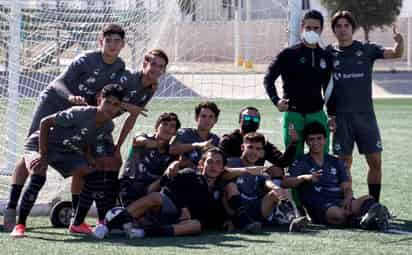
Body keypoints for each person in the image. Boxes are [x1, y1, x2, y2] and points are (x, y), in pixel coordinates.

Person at [4, 23, 127, 231]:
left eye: (117, 41)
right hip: (55, 101)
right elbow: (57, 84)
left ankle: (77, 220)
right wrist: (69, 97)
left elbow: (111, 95)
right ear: (100, 42)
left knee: (83, 160)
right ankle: (12, 208)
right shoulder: (86, 59)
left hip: (79, 112)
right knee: (32, 151)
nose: (113, 45)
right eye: (109, 41)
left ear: (123, 44)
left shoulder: (120, 67)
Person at [70, 49, 170, 233]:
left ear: (164, 70)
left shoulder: (152, 87)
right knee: (87, 167)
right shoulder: (129, 78)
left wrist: (118, 146)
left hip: (104, 126)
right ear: (145, 63)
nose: (156, 69)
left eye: (160, 66)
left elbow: (132, 117)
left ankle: (106, 216)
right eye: (153, 64)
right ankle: (76, 217)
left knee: (114, 162)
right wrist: (127, 105)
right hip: (87, 118)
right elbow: (102, 96)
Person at [10, 84, 125, 238]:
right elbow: (45, 122)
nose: (111, 107)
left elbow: (88, 138)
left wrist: (89, 156)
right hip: (39, 144)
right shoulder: (80, 113)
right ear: (99, 100)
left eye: (116, 104)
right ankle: (20, 225)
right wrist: (43, 156)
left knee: (93, 174)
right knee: (38, 173)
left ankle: (77, 224)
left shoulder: (108, 126)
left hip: (65, 151)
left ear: (119, 108)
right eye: (108, 102)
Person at [326, 10, 404, 202]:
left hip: (365, 116)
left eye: (346, 26)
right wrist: (330, 115)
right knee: (344, 164)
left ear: (353, 28)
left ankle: (373, 204)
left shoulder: (367, 49)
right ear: (334, 30)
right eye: (339, 26)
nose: (343, 30)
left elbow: (396, 53)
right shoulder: (328, 53)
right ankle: (347, 203)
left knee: (375, 162)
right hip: (341, 117)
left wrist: (400, 41)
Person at [92, 147, 227, 239]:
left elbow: (213, 218)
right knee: (156, 197)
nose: (213, 166)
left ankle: (142, 233)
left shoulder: (219, 190)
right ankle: (106, 227)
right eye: (209, 162)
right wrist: (183, 208)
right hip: (169, 210)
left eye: (218, 163)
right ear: (201, 164)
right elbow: (168, 188)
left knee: (196, 226)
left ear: (222, 168)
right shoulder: (190, 174)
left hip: (182, 224)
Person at [282, 122, 390, 231]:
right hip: (319, 205)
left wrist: (348, 197)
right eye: (311, 139)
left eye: (319, 138)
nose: (315, 142)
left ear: (325, 140)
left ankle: (365, 218)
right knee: (337, 214)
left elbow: (346, 186)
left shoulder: (335, 161)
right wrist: (306, 178)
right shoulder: (301, 161)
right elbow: (285, 182)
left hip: (340, 201)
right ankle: (362, 221)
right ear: (307, 142)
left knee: (369, 199)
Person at [263, 10, 333, 157]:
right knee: (293, 159)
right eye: (308, 28)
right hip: (293, 114)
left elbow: (328, 88)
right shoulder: (288, 54)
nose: (312, 31)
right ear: (302, 27)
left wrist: (332, 114)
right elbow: (268, 79)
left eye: (316, 28)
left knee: (322, 157)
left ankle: (321, 181)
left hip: (317, 114)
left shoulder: (325, 56)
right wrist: (276, 101)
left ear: (321, 29)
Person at [223, 133, 305, 232]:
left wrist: (275, 187)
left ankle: (293, 219)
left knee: (276, 191)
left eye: (258, 149)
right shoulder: (232, 162)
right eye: (250, 147)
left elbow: (267, 181)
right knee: (230, 186)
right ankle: (245, 223)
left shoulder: (259, 169)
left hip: (256, 209)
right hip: (237, 211)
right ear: (242, 147)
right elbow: (223, 174)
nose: (253, 152)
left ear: (262, 153)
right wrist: (246, 170)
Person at [119, 112, 181, 207]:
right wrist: (159, 144)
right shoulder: (143, 138)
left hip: (152, 192)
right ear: (156, 126)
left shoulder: (173, 154)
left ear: (175, 132)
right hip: (130, 188)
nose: (167, 128)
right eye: (164, 124)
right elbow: (140, 140)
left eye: (172, 126)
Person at [170, 101, 220, 168]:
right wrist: (196, 145)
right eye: (203, 116)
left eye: (211, 117)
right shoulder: (185, 133)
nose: (207, 120)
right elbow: (172, 149)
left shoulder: (216, 140)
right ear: (196, 118)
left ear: (215, 120)